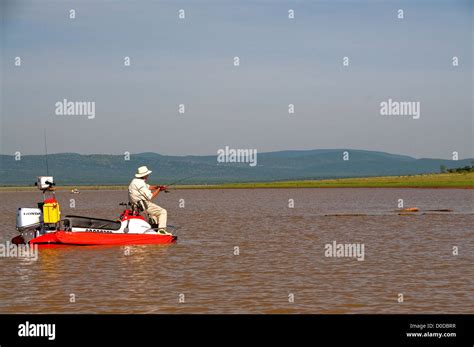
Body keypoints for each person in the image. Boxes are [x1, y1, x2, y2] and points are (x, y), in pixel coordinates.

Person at [128, 166, 169, 234]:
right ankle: (161, 231)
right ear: (145, 175)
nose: (148, 175)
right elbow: (150, 197)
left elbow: (148, 187)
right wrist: (159, 190)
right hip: (143, 205)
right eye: (147, 174)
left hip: (135, 206)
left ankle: (154, 231)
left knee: (154, 215)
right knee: (163, 212)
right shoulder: (140, 183)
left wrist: (158, 187)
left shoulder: (135, 181)